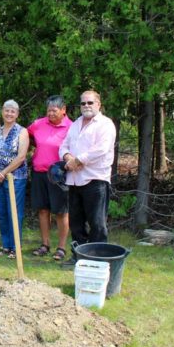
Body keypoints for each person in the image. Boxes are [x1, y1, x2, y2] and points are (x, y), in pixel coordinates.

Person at [58, 90, 116, 254]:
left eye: (90, 102)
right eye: (83, 103)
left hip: (95, 180)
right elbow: (64, 145)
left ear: (98, 104)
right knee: (76, 223)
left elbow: (101, 149)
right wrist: (68, 157)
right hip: (74, 180)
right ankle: (78, 257)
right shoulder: (76, 124)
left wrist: (78, 160)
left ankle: (98, 258)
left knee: (97, 224)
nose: (86, 106)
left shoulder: (105, 124)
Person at [27, 95, 73, 261]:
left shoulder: (71, 127)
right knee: (43, 209)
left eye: (54, 110)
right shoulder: (39, 124)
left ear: (63, 110)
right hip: (39, 172)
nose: (51, 113)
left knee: (61, 211)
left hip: (59, 175)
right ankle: (45, 244)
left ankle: (61, 247)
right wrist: (35, 146)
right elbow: (27, 136)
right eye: (48, 110)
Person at [0, 100, 29, 259]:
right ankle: (5, 245)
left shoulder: (22, 131)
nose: (9, 114)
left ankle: (15, 248)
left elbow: (21, 157)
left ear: (17, 114)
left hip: (15, 178)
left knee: (14, 212)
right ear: (2, 112)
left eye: (13, 111)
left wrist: (3, 172)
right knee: (2, 212)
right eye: (7, 110)